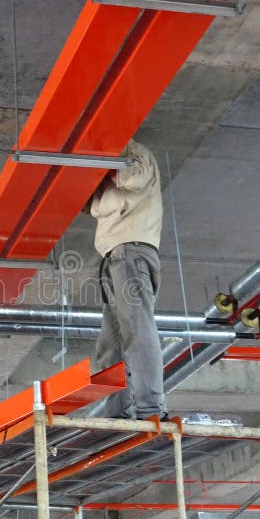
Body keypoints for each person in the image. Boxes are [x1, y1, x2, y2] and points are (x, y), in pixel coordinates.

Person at [88, 140, 167, 420]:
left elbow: (132, 176)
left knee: (136, 329)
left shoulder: (135, 152)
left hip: (132, 250)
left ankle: (150, 409)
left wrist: (105, 162)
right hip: (113, 254)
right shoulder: (108, 167)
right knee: (110, 345)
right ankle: (117, 414)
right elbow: (91, 202)